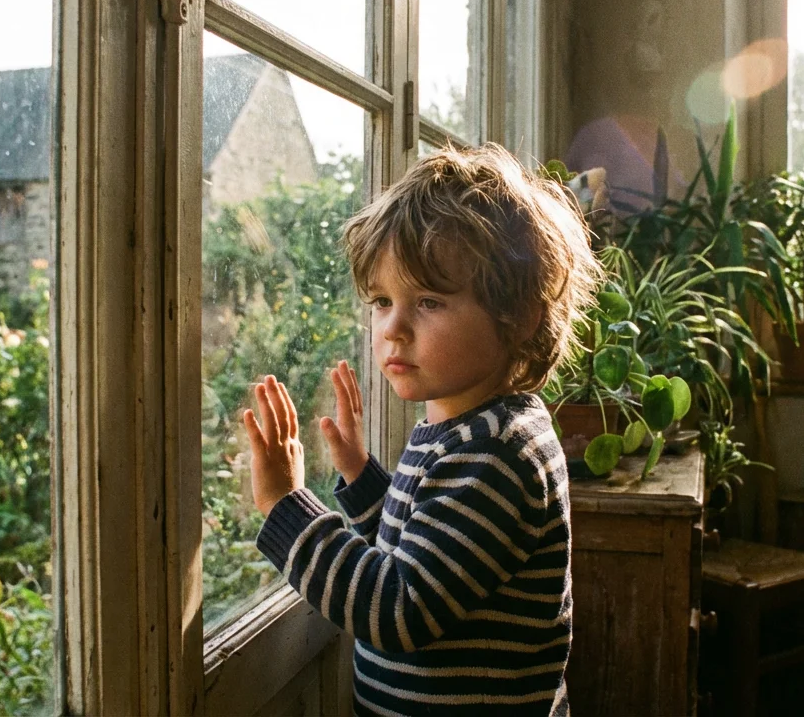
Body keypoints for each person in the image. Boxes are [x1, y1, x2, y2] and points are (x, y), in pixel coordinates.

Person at [245, 143, 602, 716]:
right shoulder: (468, 427)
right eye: (382, 300)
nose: (393, 328)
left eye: (429, 301)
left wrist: (286, 506)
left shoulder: (493, 454)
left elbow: (399, 608)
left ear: (520, 315)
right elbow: (426, 550)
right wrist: (363, 482)